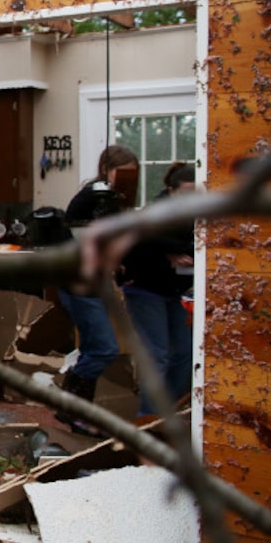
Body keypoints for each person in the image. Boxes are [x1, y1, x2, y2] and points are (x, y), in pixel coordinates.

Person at [56, 144, 139, 437]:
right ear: (106, 169)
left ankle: (74, 411)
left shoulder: (112, 199)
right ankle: (70, 408)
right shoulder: (92, 197)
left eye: (133, 172)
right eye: (123, 171)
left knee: (95, 348)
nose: (129, 177)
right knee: (103, 349)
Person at [121, 162, 197, 415]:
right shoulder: (154, 214)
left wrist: (178, 252)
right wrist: (169, 252)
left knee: (186, 353)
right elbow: (140, 239)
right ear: (171, 190)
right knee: (157, 354)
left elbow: (195, 243)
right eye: (187, 193)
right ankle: (149, 416)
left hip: (173, 291)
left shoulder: (194, 216)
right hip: (145, 289)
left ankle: (170, 410)